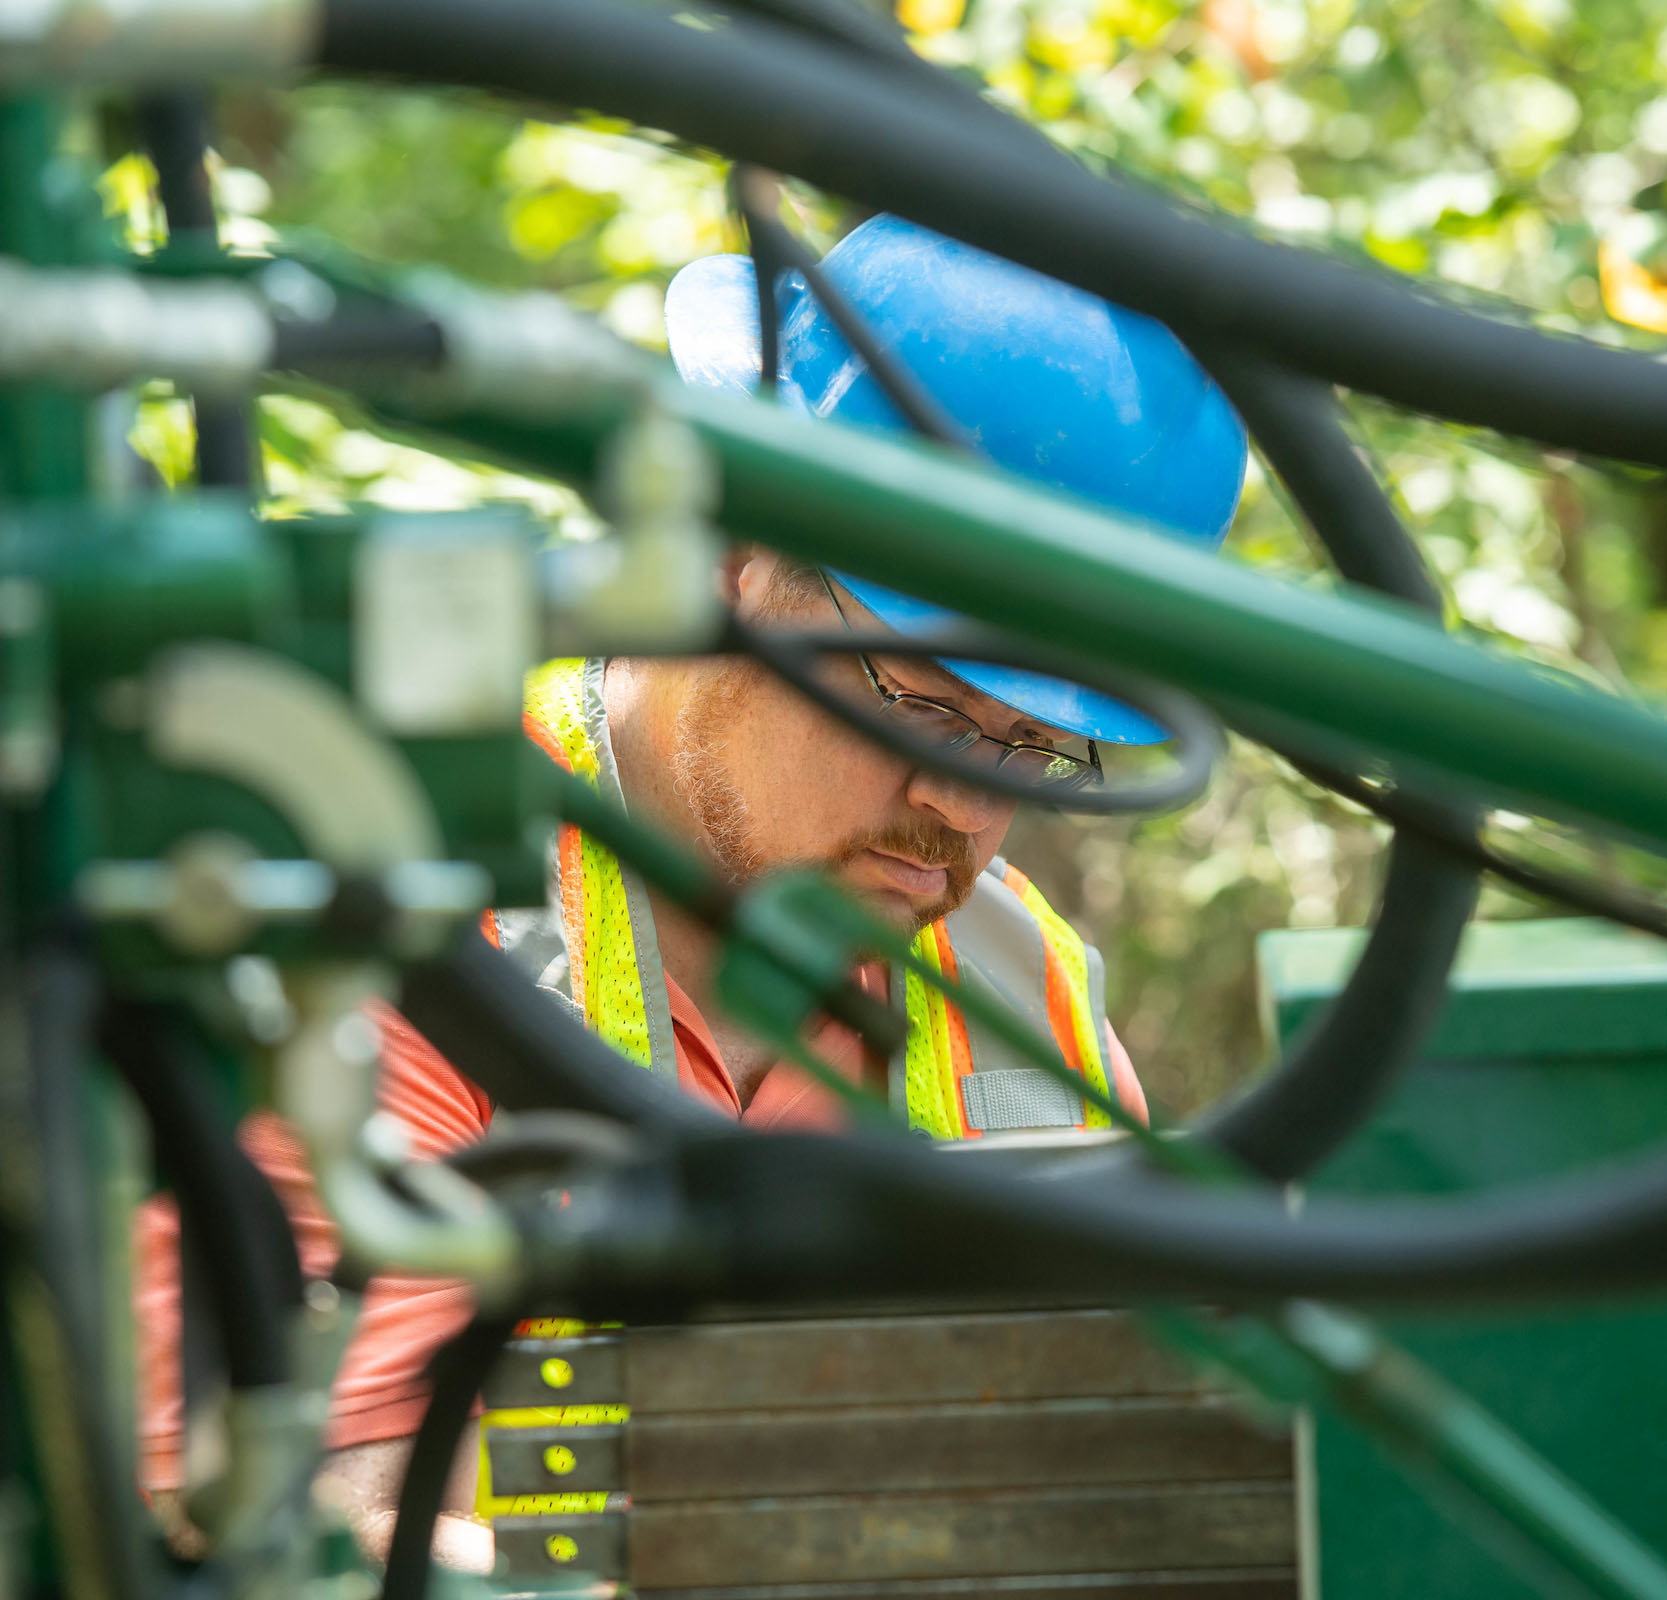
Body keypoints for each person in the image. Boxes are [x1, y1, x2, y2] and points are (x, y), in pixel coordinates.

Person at [134, 215, 1246, 1567]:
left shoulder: (1031, 998)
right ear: (730, 556)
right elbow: (326, 1529)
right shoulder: (393, 917)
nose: (961, 811)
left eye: (1031, 749)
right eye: (923, 709)